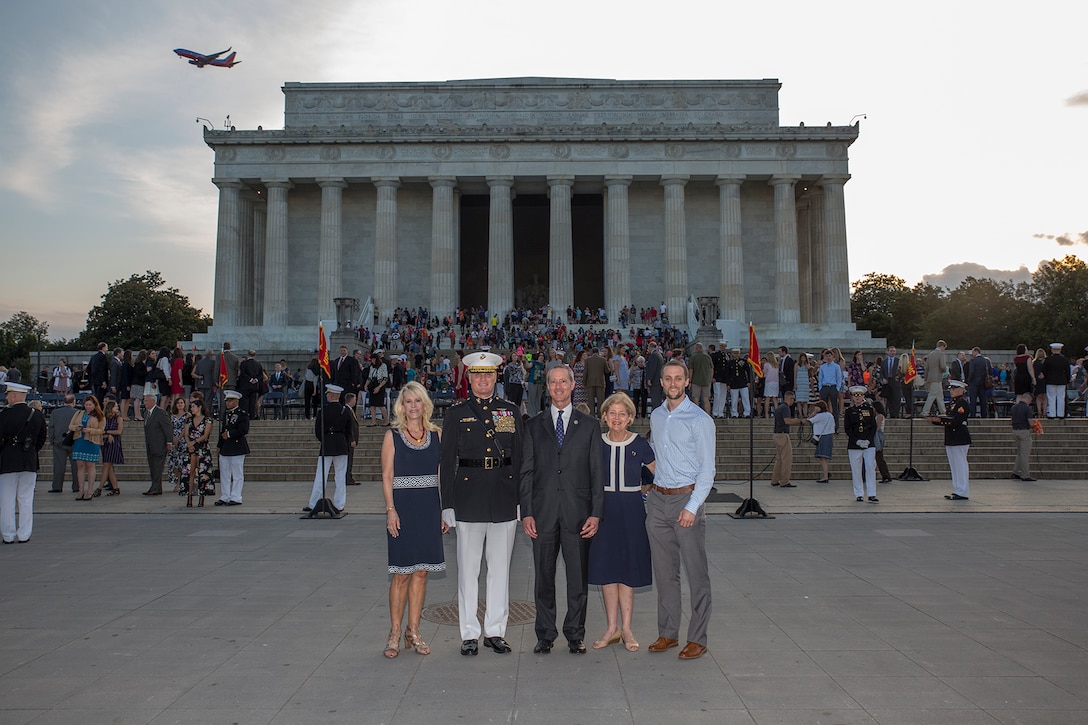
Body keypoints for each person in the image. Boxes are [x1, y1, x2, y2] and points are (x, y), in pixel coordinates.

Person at [439, 351, 523, 656]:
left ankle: (496, 631)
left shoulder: (510, 412)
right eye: (477, 375)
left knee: (500, 569)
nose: (483, 380)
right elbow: (447, 462)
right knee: (468, 570)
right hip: (468, 495)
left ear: (496, 377)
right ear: (469, 379)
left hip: (503, 494)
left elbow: (521, 459)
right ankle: (469, 633)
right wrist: (447, 505)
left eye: (488, 375)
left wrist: (521, 503)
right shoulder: (455, 413)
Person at [520, 364, 604, 655]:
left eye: (563, 382)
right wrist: (527, 511)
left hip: (578, 514)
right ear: (547, 387)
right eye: (552, 382)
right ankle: (545, 634)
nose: (558, 387)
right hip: (541, 515)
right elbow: (526, 473)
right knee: (543, 578)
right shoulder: (532, 426)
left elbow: (597, 473)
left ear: (572, 385)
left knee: (577, 579)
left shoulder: (590, 425)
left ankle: (575, 633)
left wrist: (596, 512)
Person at [646, 359, 714, 660]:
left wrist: (692, 506)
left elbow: (708, 471)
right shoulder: (657, 416)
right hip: (658, 501)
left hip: (686, 501)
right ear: (661, 382)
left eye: (678, 378)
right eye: (667, 378)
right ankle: (668, 632)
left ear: (687, 381)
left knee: (696, 573)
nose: (672, 383)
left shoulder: (700, 420)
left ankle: (698, 637)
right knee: (664, 573)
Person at [381, 381, 448, 658]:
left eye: (417, 401)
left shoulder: (437, 434)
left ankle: (414, 630)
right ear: (401, 405)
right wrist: (390, 509)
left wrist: (446, 510)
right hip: (403, 509)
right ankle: (395, 632)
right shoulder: (392, 436)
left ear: (425, 404)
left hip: (429, 508)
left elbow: (443, 476)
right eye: (407, 401)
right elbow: (386, 475)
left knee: (421, 572)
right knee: (401, 574)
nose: (412, 406)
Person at [587, 393, 654, 652]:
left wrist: (649, 490)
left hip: (631, 510)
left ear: (630, 418)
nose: (617, 418)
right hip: (603, 511)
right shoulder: (597, 443)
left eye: (622, 414)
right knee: (607, 569)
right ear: (604, 416)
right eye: (612, 413)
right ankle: (611, 627)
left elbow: (658, 473)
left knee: (627, 569)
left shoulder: (640, 443)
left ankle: (626, 628)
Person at [0, 381, 46, 544]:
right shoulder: (37, 415)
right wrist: (31, 451)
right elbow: (41, 439)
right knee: (26, 499)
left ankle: (8, 534)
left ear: (14, 395)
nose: (6, 397)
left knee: (7, 499)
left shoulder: (4, 415)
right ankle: (24, 534)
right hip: (29, 460)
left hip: (8, 461)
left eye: (8, 394)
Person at [303, 384, 353, 514]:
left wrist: (325, 440)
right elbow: (349, 431)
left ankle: (314, 502)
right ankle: (339, 504)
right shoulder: (345, 411)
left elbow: (318, 431)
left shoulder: (322, 411)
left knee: (321, 475)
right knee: (340, 476)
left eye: (327, 394)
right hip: (341, 444)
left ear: (331, 395)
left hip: (327, 444)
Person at [930, 379, 971, 500]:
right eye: (951, 389)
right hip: (952, 437)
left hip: (959, 437)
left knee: (960, 464)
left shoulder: (962, 403)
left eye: (953, 389)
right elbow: (949, 418)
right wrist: (936, 421)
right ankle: (957, 489)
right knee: (954, 465)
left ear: (960, 390)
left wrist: (940, 420)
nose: (951, 391)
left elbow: (957, 420)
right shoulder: (953, 403)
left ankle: (963, 491)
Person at [844, 386, 878, 503]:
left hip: (868, 443)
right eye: (855, 395)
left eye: (859, 395)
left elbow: (873, 426)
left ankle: (872, 493)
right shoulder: (849, 411)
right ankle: (858, 493)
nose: (857, 397)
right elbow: (848, 429)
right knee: (856, 469)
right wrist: (856, 440)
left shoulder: (869, 409)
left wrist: (868, 440)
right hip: (855, 444)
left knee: (870, 466)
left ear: (863, 396)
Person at [216, 390, 250, 506]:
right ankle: (225, 496)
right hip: (226, 447)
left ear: (236, 401)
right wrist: (219, 446)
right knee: (224, 473)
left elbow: (243, 430)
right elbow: (222, 431)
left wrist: (230, 434)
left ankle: (236, 497)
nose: (228, 403)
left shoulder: (242, 414)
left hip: (237, 446)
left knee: (237, 473)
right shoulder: (226, 414)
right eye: (227, 401)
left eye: (230, 400)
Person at [69, 395, 105, 500]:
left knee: (90, 466)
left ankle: (90, 490)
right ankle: (81, 490)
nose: (88, 407)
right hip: (79, 440)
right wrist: (76, 427)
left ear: (95, 405)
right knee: (80, 466)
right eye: (86, 405)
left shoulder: (100, 415)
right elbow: (70, 426)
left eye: (90, 405)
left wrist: (90, 430)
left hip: (92, 441)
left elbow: (101, 430)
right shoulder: (78, 413)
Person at [141, 392, 174, 495]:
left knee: (157, 467)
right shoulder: (146, 413)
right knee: (153, 467)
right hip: (150, 445)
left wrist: (169, 442)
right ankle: (157, 488)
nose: (144, 402)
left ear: (153, 401)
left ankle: (154, 488)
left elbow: (167, 428)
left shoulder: (160, 412)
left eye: (146, 400)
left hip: (159, 445)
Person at [183, 398, 214, 507]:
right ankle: (189, 496)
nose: (192, 409)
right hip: (191, 447)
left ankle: (202, 497)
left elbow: (205, 435)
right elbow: (186, 433)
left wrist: (194, 442)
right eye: (191, 407)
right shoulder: (189, 420)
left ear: (199, 407)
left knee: (202, 473)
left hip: (202, 447)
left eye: (193, 407)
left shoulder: (207, 420)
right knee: (190, 472)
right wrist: (189, 443)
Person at [47, 393, 78, 493]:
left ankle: (57, 486)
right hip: (74, 442)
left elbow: (51, 427)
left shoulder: (55, 413)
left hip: (59, 442)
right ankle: (77, 486)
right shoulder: (78, 413)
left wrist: (52, 440)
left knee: (59, 466)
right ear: (74, 402)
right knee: (76, 466)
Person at [771, 390, 800, 488]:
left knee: (779, 459)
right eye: (793, 399)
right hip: (783, 435)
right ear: (790, 398)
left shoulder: (779, 407)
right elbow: (787, 421)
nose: (793, 401)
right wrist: (799, 421)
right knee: (786, 459)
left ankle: (774, 480)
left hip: (776, 434)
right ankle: (784, 481)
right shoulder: (786, 408)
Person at [97, 399, 124, 496]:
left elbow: (119, 431)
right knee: (109, 467)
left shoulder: (118, 418)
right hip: (105, 443)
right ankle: (115, 488)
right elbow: (100, 432)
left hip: (114, 443)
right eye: (115, 406)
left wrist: (108, 433)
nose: (117, 408)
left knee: (106, 466)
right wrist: (107, 435)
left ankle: (99, 488)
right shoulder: (103, 418)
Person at [1010, 392, 1037, 482]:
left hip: (1015, 430)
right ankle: (1025, 475)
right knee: (1024, 454)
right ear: (1028, 399)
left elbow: (1012, 419)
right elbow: (1030, 422)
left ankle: (1016, 471)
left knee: (1019, 452)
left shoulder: (1014, 407)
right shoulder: (1027, 408)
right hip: (1024, 431)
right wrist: (1035, 425)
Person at [165, 396, 189, 494]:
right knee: (172, 463)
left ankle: (180, 483)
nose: (180, 404)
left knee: (181, 463)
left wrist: (179, 438)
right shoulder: (172, 416)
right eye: (178, 403)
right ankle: (178, 480)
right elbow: (169, 427)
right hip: (173, 439)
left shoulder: (187, 415)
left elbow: (186, 428)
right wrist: (173, 438)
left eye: (181, 403)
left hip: (183, 440)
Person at [808, 400, 835, 483]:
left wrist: (813, 413)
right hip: (828, 435)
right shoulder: (830, 415)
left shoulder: (820, 416)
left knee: (822, 457)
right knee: (819, 456)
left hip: (823, 436)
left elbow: (809, 420)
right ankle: (826, 472)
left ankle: (825, 476)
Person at [817, 348, 844, 429]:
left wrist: (837, 388)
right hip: (825, 387)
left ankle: (836, 427)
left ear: (833, 357)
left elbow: (839, 378)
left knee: (835, 408)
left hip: (833, 387)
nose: (828, 357)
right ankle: (824, 426)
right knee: (823, 408)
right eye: (827, 356)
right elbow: (820, 378)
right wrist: (820, 388)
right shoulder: (823, 367)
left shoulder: (836, 367)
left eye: (830, 356)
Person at [1042, 342, 1070, 418]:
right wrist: (1067, 380)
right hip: (1062, 380)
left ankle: (1052, 414)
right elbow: (1067, 371)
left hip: (1050, 380)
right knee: (1061, 398)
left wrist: (1046, 378)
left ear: (1052, 350)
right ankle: (1061, 414)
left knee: (1051, 398)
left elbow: (1044, 370)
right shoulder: (1065, 359)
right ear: (1060, 350)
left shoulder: (1048, 359)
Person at [921, 341, 947, 416]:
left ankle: (943, 411)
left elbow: (927, 368)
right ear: (942, 346)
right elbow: (942, 366)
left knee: (939, 395)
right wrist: (945, 370)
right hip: (937, 377)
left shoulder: (930, 354)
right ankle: (925, 411)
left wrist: (926, 379)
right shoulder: (941, 354)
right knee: (932, 395)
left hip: (930, 377)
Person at [725, 347, 752, 418]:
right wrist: (728, 384)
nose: (736, 355)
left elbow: (748, 371)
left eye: (737, 353)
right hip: (733, 383)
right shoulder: (730, 363)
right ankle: (734, 413)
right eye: (734, 353)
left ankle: (747, 413)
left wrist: (749, 381)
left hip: (743, 383)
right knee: (734, 399)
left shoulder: (743, 361)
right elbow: (727, 374)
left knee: (745, 398)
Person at [687, 343, 713, 414]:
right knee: (706, 399)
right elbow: (711, 369)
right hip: (706, 381)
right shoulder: (707, 357)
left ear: (696, 348)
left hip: (696, 381)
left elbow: (691, 370)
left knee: (696, 398)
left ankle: (697, 414)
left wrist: (690, 381)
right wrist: (710, 379)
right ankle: (708, 415)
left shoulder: (693, 357)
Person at [238, 350, 264, 419]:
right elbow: (261, 375)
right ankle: (252, 415)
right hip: (254, 386)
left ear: (248, 355)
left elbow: (243, 374)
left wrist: (250, 379)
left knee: (245, 401)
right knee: (253, 401)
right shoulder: (258, 364)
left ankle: (245, 415)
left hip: (246, 385)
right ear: (255, 355)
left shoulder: (244, 364)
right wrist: (255, 380)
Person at [581, 347, 609, 414]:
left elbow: (585, 372)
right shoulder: (603, 360)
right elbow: (607, 371)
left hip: (590, 382)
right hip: (600, 382)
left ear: (591, 352)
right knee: (600, 400)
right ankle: (600, 414)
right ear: (598, 352)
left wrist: (584, 382)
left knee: (591, 401)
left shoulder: (587, 360)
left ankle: (592, 414)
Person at [367, 350, 390, 425]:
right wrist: (366, 385)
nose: (372, 361)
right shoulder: (371, 367)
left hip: (380, 384)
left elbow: (385, 378)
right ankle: (373, 421)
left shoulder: (383, 366)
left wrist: (379, 387)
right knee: (372, 404)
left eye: (374, 359)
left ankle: (386, 420)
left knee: (380, 404)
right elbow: (370, 377)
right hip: (373, 384)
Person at [344, 391, 361, 485]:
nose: (355, 401)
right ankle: (347, 478)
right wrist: (352, 439)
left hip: (352, 439)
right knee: (348, 459)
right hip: (349, 440)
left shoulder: (350, 410)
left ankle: (349, 477)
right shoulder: (346, 410)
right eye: (354, 399)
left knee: (350, 459)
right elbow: (349, 427)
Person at [881, 346, 902, 418]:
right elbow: (882, 372)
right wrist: (883, 379)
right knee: (889, 399)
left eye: (893, 351)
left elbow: (901, 371)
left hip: (896, 382)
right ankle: (891, 414)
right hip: (887, 382)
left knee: (896, 398)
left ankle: (896, 414)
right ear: (888, 352)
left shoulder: (898, 361)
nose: (892, 352)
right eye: (891, 351)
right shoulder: (884, 362)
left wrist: (899, 376)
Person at [644, 341, 665, 411]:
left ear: (651, 347)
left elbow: (652, 368)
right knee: (658, 400)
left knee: (655, 401)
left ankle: (656, 417)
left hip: (655, 382)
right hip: (658, 381)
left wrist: (649, 379)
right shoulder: (659, 355)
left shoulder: (654, 355)